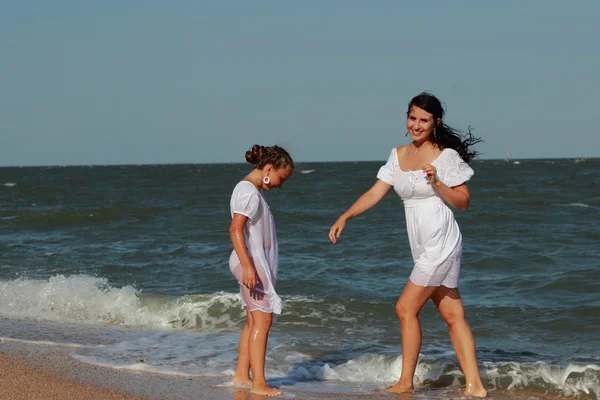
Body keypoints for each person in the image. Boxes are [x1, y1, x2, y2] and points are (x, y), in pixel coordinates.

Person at [328, 92, 487, 397]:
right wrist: (346, 215)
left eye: (423, 120)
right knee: (453, 315)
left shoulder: (445, 157)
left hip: (441, 241)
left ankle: (405, 382)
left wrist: (438, 182)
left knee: (404, 308)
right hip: (422, 246)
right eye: (412, 117)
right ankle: (475, 387)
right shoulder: (397, 155)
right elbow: (375, 193)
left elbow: (464, 202)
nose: (416, 125)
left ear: (435, 123)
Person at [229, 144, 294, 397]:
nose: (280, 184)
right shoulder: (248, 192)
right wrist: (248, 266)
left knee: (253, 321)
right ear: (269, 169)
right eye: (281, 178)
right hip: (250, 264)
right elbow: (235, 229)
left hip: (250, 263)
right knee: (263, 321)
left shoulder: (250, 190)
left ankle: (242, 375)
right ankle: (259, 383)